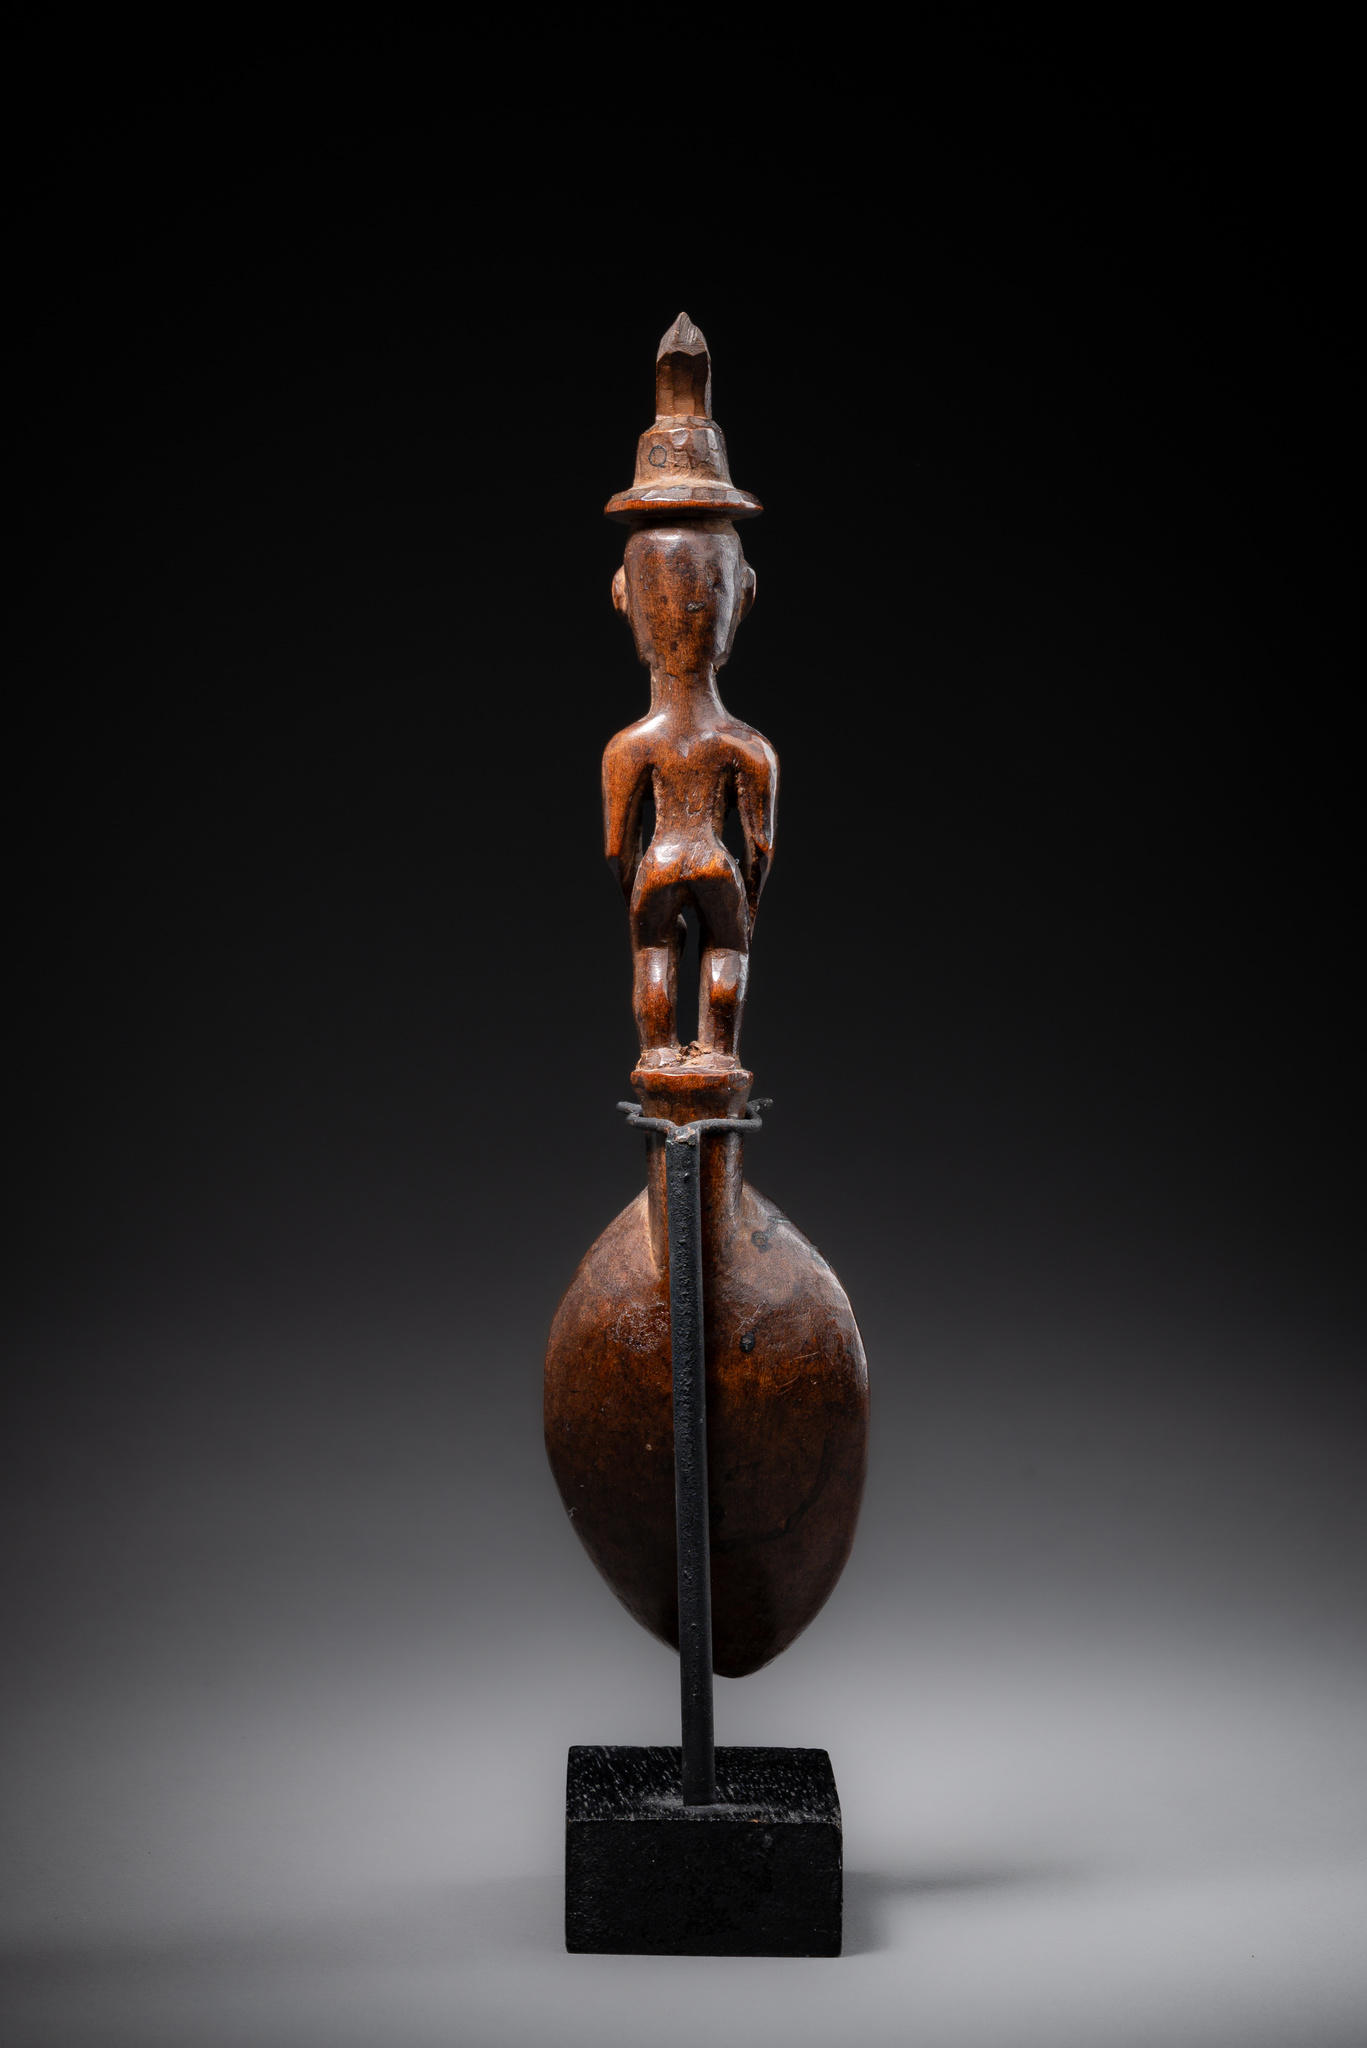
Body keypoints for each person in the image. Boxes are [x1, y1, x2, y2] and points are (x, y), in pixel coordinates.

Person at [602, 519, 776, 1068]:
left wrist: (638, 896)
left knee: (652, 952)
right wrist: (747, 903)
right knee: (728, 949)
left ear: (623, 597)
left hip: (658, 863)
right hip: (716, 863)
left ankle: (657, 1051)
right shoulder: (748, 746)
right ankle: (719, 1053)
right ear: (744, 594)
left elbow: (616, 849)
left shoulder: (628, 747)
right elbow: (761, 847)